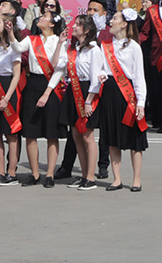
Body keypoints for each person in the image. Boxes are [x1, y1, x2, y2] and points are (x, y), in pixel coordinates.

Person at [9, 9, 68, 188]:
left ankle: (49, 174)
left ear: (52, 24)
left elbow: (59, 69)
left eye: (44, 17)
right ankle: (35, 173)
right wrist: (10, 33)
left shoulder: (59, 41)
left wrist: (47, 93)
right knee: (30, 132)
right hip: (33, 84)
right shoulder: (32, 39)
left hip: (51, 86)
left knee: (52, 133)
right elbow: (18, 48)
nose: (40, 18)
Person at [99, 8, 147, 191]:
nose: (110, 21)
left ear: (124, 24)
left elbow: (139, 76)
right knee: (112, 137)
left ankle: (136, 179)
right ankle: (117, 178)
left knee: (135, 139)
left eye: (115, 18)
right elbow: (101, 67)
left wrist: (141, 102)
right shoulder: (105, 45)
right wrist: (101, 74)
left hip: (128, 94)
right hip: (110, 92)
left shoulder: (134, 47)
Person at [60, 14, 103, 190]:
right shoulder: (75, 49)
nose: (74, 27)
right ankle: (84, 174)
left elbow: (96, 78)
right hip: (73, 90)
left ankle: (91, 178)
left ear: (86, 30)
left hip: (86, 92)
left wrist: (88, 101)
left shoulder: (94, 50)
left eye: (78, 24)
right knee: (76, 134)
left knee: (87, 135)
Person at [0, 11, 23, 186]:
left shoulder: (14, 48)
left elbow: (16, 75)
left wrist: (7, 98)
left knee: (11, 133)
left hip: (8, 89)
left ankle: (12, 172)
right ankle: (0, 171)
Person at [139, 0, 162, 133]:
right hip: (157, 55)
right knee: (158, 91)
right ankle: (161, 122)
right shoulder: (151, 10)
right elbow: (145, 32)